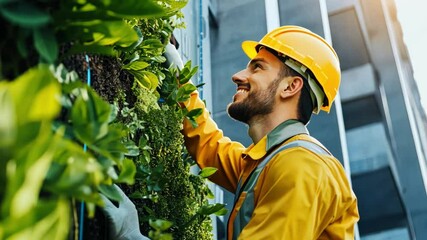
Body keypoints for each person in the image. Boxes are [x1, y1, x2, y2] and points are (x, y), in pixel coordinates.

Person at [103, 25, 359, 239]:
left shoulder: (302, 167)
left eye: (257, 67)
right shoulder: (271, 162)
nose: (238, 76)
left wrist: (131, 236)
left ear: (290, 86)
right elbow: (210, 146)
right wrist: (177, 78)